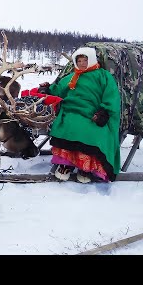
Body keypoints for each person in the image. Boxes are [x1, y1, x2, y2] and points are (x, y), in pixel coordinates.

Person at [38, 47, 121, 183]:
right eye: (79, 60)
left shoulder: (103, 76)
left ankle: (85, 167)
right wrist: (47, 88)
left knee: (90, 129)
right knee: (68, 124)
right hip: (70, 110)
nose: (82, 63)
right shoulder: (72, 77)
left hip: (92, 113)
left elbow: (112, 97)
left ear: (92, 60)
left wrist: (104, 112)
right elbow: (58, 90)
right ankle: (66, 164)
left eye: (85, 60)